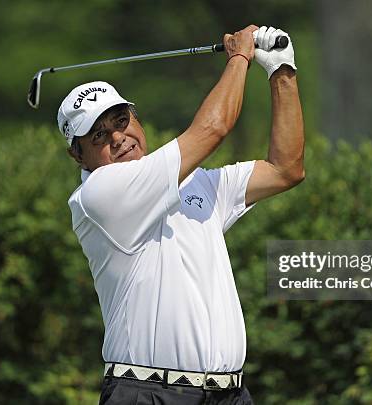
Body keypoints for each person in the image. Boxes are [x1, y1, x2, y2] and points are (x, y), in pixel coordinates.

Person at [57, 24, 304, 405]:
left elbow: (286, 169)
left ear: (136, 118)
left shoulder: (196, 184)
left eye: (121, 121)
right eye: (98, 136)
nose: (117, 137)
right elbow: (213, 128)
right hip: (148, 394)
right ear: (79, 155)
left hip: (231, 395)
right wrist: (240, 57)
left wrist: (281, 72)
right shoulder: (97, 195)